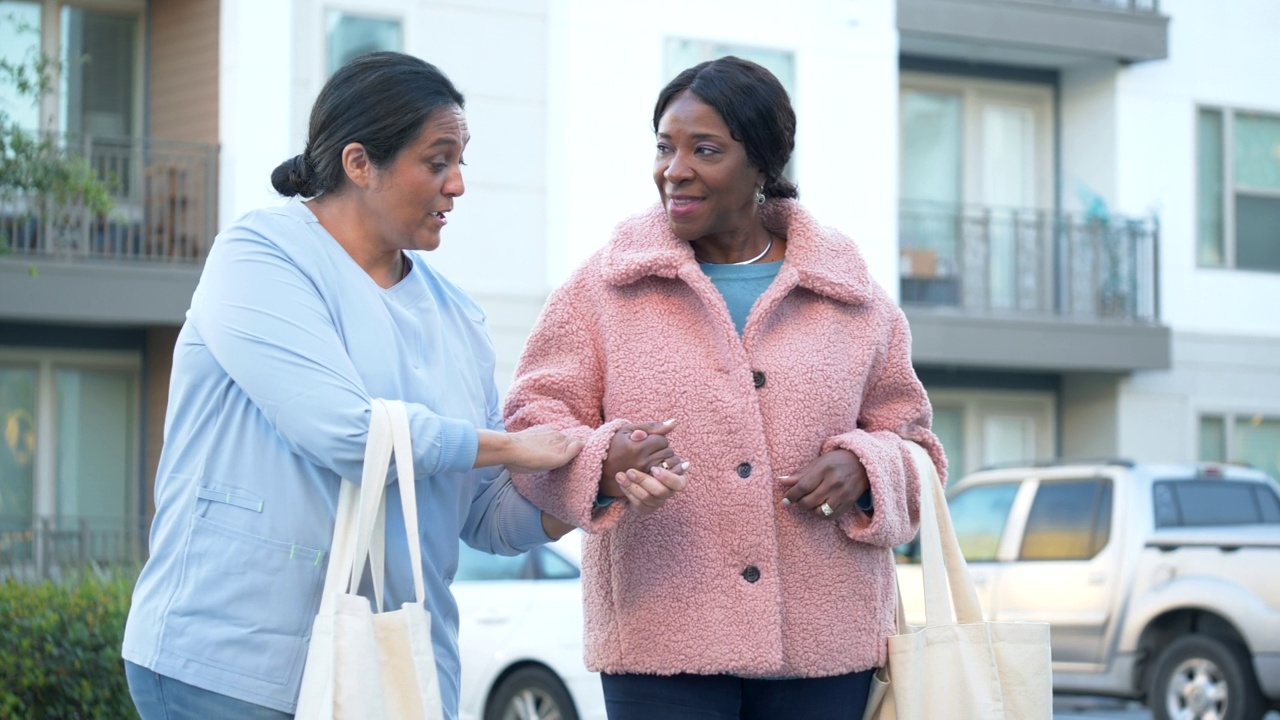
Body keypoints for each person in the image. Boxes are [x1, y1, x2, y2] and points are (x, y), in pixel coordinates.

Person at [121, 52, 584, 720]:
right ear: (359, 162)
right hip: (229, 670)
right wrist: (513, 447)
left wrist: (592, 479)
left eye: (461, 161)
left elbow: (482, 516)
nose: (457, 184)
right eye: (437, 161)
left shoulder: (457, 317)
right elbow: (346, 435)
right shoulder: (260, 255)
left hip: (388, 681)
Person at [503, 56, 947, 720]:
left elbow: (919, 451)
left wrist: (866, 466)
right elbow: (531, 422)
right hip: (660, 642)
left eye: (704, 149)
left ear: (763, 163)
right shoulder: (603, 289)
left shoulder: (853, 298)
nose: (673, 169)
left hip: (825, 647)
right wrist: (604, 462)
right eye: (664, 147)